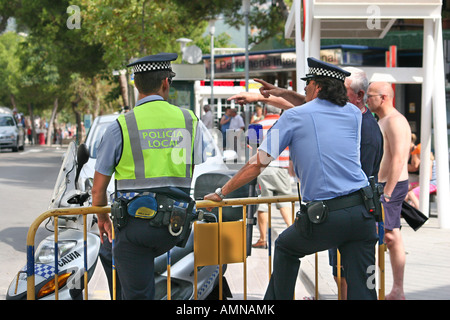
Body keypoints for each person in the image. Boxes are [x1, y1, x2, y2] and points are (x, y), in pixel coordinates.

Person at [206, 57, 379, 300]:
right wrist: (280, 93)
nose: (305, 89)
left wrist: (222, 192)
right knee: (363, 288)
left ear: (317, 86)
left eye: (307, 84)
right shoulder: (353, 113)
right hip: (362, 212)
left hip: (327, 216)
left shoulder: (293, 117)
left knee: (286, 247)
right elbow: (314, 107)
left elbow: (257, 164)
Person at [92, 52, 204, 300]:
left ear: (135, 84)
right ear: (166, 82)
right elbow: (189, 171)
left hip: (134, 228)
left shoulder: (120, 126)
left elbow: (98, 191)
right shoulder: (189, 120)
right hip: (174, 226)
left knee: (137, 294)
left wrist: (102, 219)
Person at [366, 81, 411, 300]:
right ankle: (391, 289)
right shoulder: (382, 120)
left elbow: (399, 158)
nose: (366, 99)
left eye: (370, 95)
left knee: (391, 236)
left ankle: (397, 289)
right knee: (387, 236)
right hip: (382, 186)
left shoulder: (395, 121)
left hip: (390, 187)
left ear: (383, 97)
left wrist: (389, 192)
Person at [252, 105, 292, 249]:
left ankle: (263, 239)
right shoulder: (287, 125)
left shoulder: (257, 126)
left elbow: (250, 146)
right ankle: (292, 231)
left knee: (263, 203)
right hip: (282, 167)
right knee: (286, 200)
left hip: (263, 168)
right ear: (280, 111)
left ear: (264, 111)